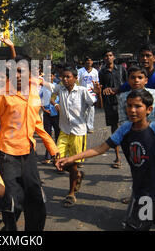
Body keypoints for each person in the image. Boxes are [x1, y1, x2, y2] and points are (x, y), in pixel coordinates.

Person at [55, 89, 155, 231]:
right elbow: (100, 148)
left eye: (137, 106)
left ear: (149, 110)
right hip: (144, 197)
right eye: (129, 105)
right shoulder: (125, 129)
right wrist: (72, 158)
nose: (132, 110)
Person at [0, 55, 59, 231]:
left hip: (29, 154)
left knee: (36, 201)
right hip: (8, 155)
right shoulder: (2, 95)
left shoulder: (34, 91)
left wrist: (53, 150)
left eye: (21, 72)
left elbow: (37, 124)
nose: (17, 76)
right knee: (12, 202)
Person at [46, 65, 102, 206]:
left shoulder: (82, 91)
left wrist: (98, 93)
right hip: (64, 131)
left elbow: (96, 104)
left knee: (72, 163)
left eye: (68, 77)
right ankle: (77, 176)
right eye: (62, 77)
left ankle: (71, 194)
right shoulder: (60, 89)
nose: (64, 79)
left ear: (75, 79)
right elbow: (47, 85)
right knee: (57, 160)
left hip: (78, 133)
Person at [99, 50, 127, 168]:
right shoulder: (102, 72)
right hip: (110, 104)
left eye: (110, 55)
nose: (108, 58)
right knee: (114, 130)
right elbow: (101, 88)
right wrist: (102, 91)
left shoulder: (121, 69)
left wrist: (118, 90)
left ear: (114, 57)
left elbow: (127, 84)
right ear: (104, 58)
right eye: (106, 56)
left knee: (127, 128)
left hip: (123, 102)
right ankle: (117, 157)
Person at [39, 72, 60, 164]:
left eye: (50, 75)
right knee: (47, 136)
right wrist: (43, 109)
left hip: (57, 114)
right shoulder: (43, 87)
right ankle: (48, 156)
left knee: (58, 135)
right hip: (47, 113)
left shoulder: (58, 86)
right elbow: (39, 98)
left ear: (53, 76)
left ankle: (58, 156)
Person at [78, 56, 100, 133]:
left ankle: (90, 126)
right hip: (82, 92)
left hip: (92, 93)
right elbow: (77, 82)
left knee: (91, 110)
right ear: (85, 62)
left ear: (92, 62)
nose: (89, 62)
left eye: (90, 61)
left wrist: (96, 90)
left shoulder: (95, 71)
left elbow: (97, 82)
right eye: (87, 61)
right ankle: (82, 126)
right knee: (82, 110)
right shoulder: (80, 71)